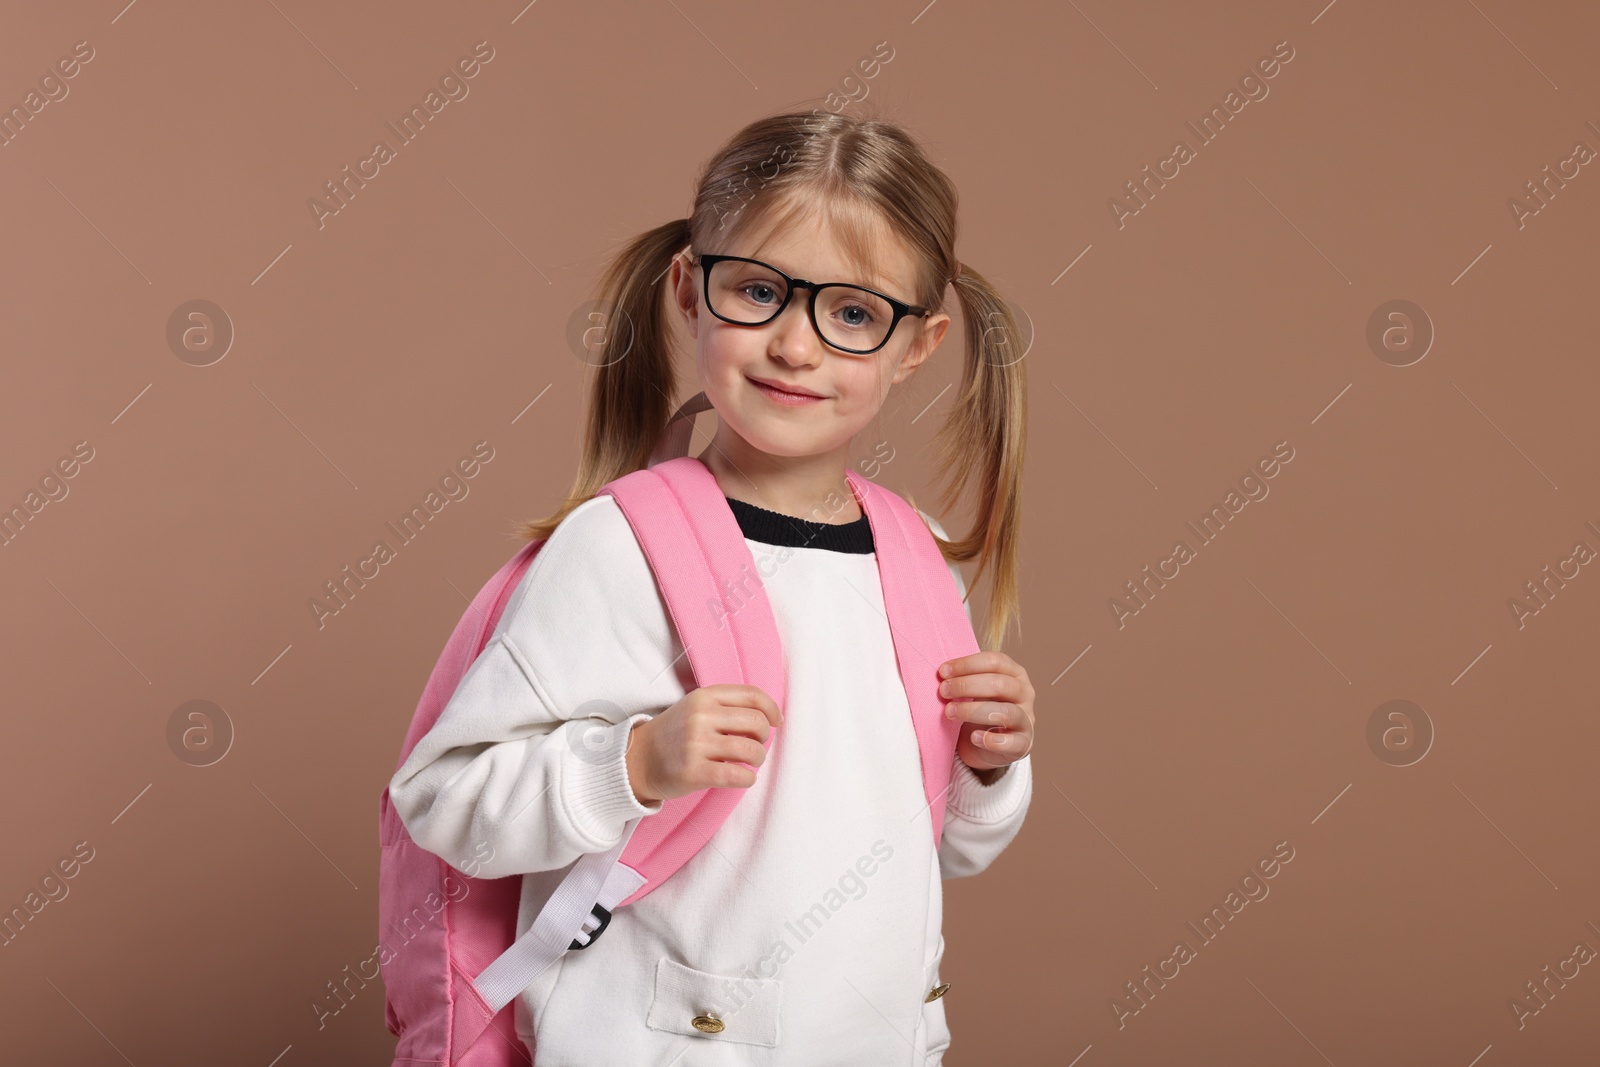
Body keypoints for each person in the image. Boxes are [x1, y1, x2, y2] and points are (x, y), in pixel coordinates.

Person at [388, 107, 1036, 1065]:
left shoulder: (917, 553)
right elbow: (445, 802)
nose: (797, 345)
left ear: (918, 344)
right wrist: (634, 763)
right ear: (691, 291)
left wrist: (987, 765)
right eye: (761, 291)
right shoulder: (619, 547)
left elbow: (942, 851)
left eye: (854, 313)